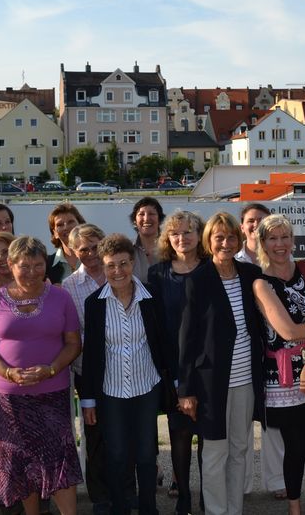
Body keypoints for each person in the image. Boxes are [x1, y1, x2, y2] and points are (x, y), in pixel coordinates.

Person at [0, 236, 83, 515]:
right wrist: (7, 371)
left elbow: (73, 343)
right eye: (24, 266)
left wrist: (51, 369)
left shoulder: (61, 297)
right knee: (21, 462)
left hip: (52, 394)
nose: (32, 272)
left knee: (58, 459)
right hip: (9, 400)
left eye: (38, 265)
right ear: (10, 265)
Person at [178, 212, 266, 515]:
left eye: (231, 237)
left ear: (239, 240)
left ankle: (234, 509)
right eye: (219, 238)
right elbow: (187, 339)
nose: (225, 243)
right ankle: (216, 511)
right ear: (208, 241)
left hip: (246, 380)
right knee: (215, 451)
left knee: (240, 449)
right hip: (211, 384)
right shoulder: (197, 280)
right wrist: (186, 390)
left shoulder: (251, 274)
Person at [81, 233, 173, 515]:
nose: (117, 271)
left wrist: (175, 381)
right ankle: (120, 508)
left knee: (145, 454)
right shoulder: (94, 303)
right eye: (110, 265)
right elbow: (91, 354)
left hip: (147, 387)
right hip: (111, 391)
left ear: (133, 263)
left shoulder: (151, 296)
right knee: (117, 455)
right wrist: (88, 400)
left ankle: (148, 509)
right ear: (103, 266)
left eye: (123, 263)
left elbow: (164, 342)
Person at [252, 215, 305, 515]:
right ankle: (295, 507)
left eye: (285, 237)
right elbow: (287, 331)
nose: (280, 244)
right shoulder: (261, 283)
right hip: (285, 379)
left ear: (293, 239)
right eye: (273, 238)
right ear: (263, 243)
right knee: (296, 448)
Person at [146, 210, 209, 515]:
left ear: (199, 235)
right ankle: (183, 495)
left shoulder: (212, 269)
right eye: (175, 233)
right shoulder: (157, 274)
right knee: (179, 434)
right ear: (167, 238)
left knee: (208, 437)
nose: (181, 238)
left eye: (188, 232)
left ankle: (207, 496)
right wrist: (169, 371)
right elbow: (156, 326)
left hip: (208, 367)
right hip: (172, 367)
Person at [236, 202, 287, 500]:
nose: (256, 225)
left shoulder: (278, 260)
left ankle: (277, 480)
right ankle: (241, 485)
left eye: (261, 221)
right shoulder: (233, 260)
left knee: (273, 422)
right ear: (242, 226)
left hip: (274, 351)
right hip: (243, 351)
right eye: (251, 221)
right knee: (241, 424)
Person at [61, 223, 112, 514]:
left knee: (122, 431)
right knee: (94, 435)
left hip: (123, 366)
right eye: (83, 249)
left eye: (95, 247)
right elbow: (72, 332)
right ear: (73, 251)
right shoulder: (70, 286)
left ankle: (124, 491)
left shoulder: (118, 273)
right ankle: (100, 496)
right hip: (88, 370)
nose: (90, 253)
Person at [46, 203, 86, 284]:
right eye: (60, 225)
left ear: (81, 225)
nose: (66, 227)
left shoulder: (95, 258)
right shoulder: (46, 264)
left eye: (71, 222)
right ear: (55, 233)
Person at [131, 197, 165, 282]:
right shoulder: (127, 249)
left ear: (159, 219)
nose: (146, 219)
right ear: (135, 221)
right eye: (141, 214)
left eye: (151, 214)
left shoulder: (171, 248)